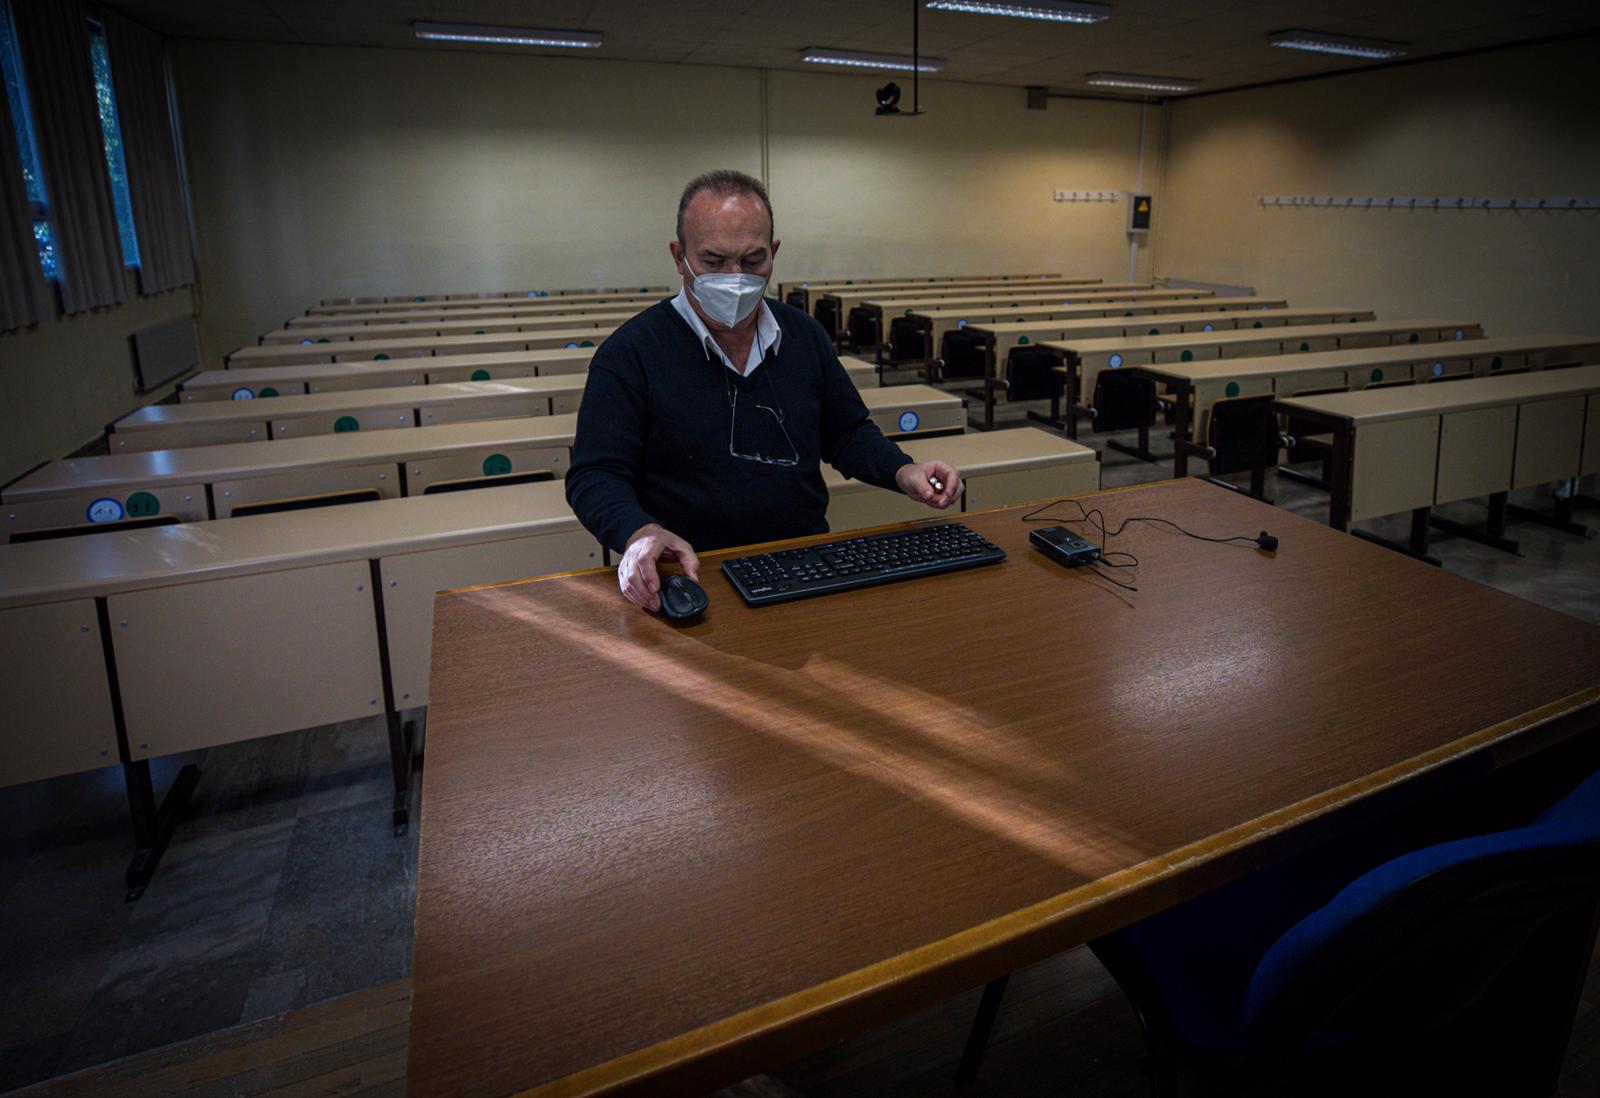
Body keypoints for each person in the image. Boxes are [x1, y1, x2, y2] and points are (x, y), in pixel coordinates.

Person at [566, 169, 963, 612]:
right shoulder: (630, 354)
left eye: (753, 261)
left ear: (773, 253)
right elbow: (594, 474)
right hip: (691, 576)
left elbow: (847, 432)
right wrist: (639, 532)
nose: (735, 278)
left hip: (803, 563)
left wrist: (902, 471)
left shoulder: (804, 336)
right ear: (679, 257)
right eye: (714, 262)